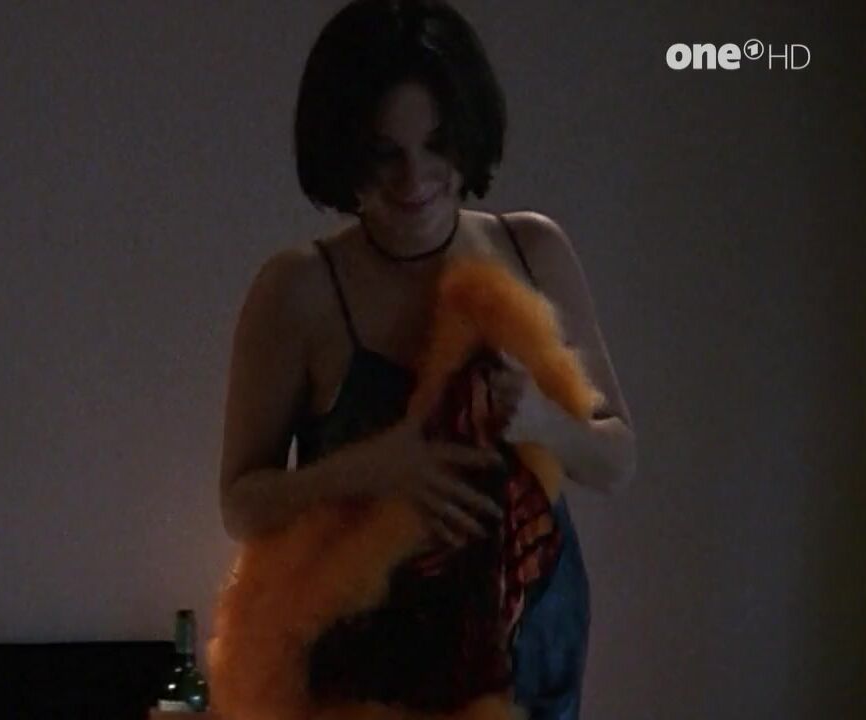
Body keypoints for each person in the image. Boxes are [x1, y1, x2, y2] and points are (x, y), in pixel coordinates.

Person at [217, 1, 636, 718]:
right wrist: (372, 468)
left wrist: (543, 421)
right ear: (343, 149)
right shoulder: (298, 291)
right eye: (384, 152)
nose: (414, 179)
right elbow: (241, 503)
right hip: (365, 687)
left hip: (535, 667)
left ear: (468, 134)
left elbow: (616, 458)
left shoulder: (533, 250)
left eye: (437, 145)